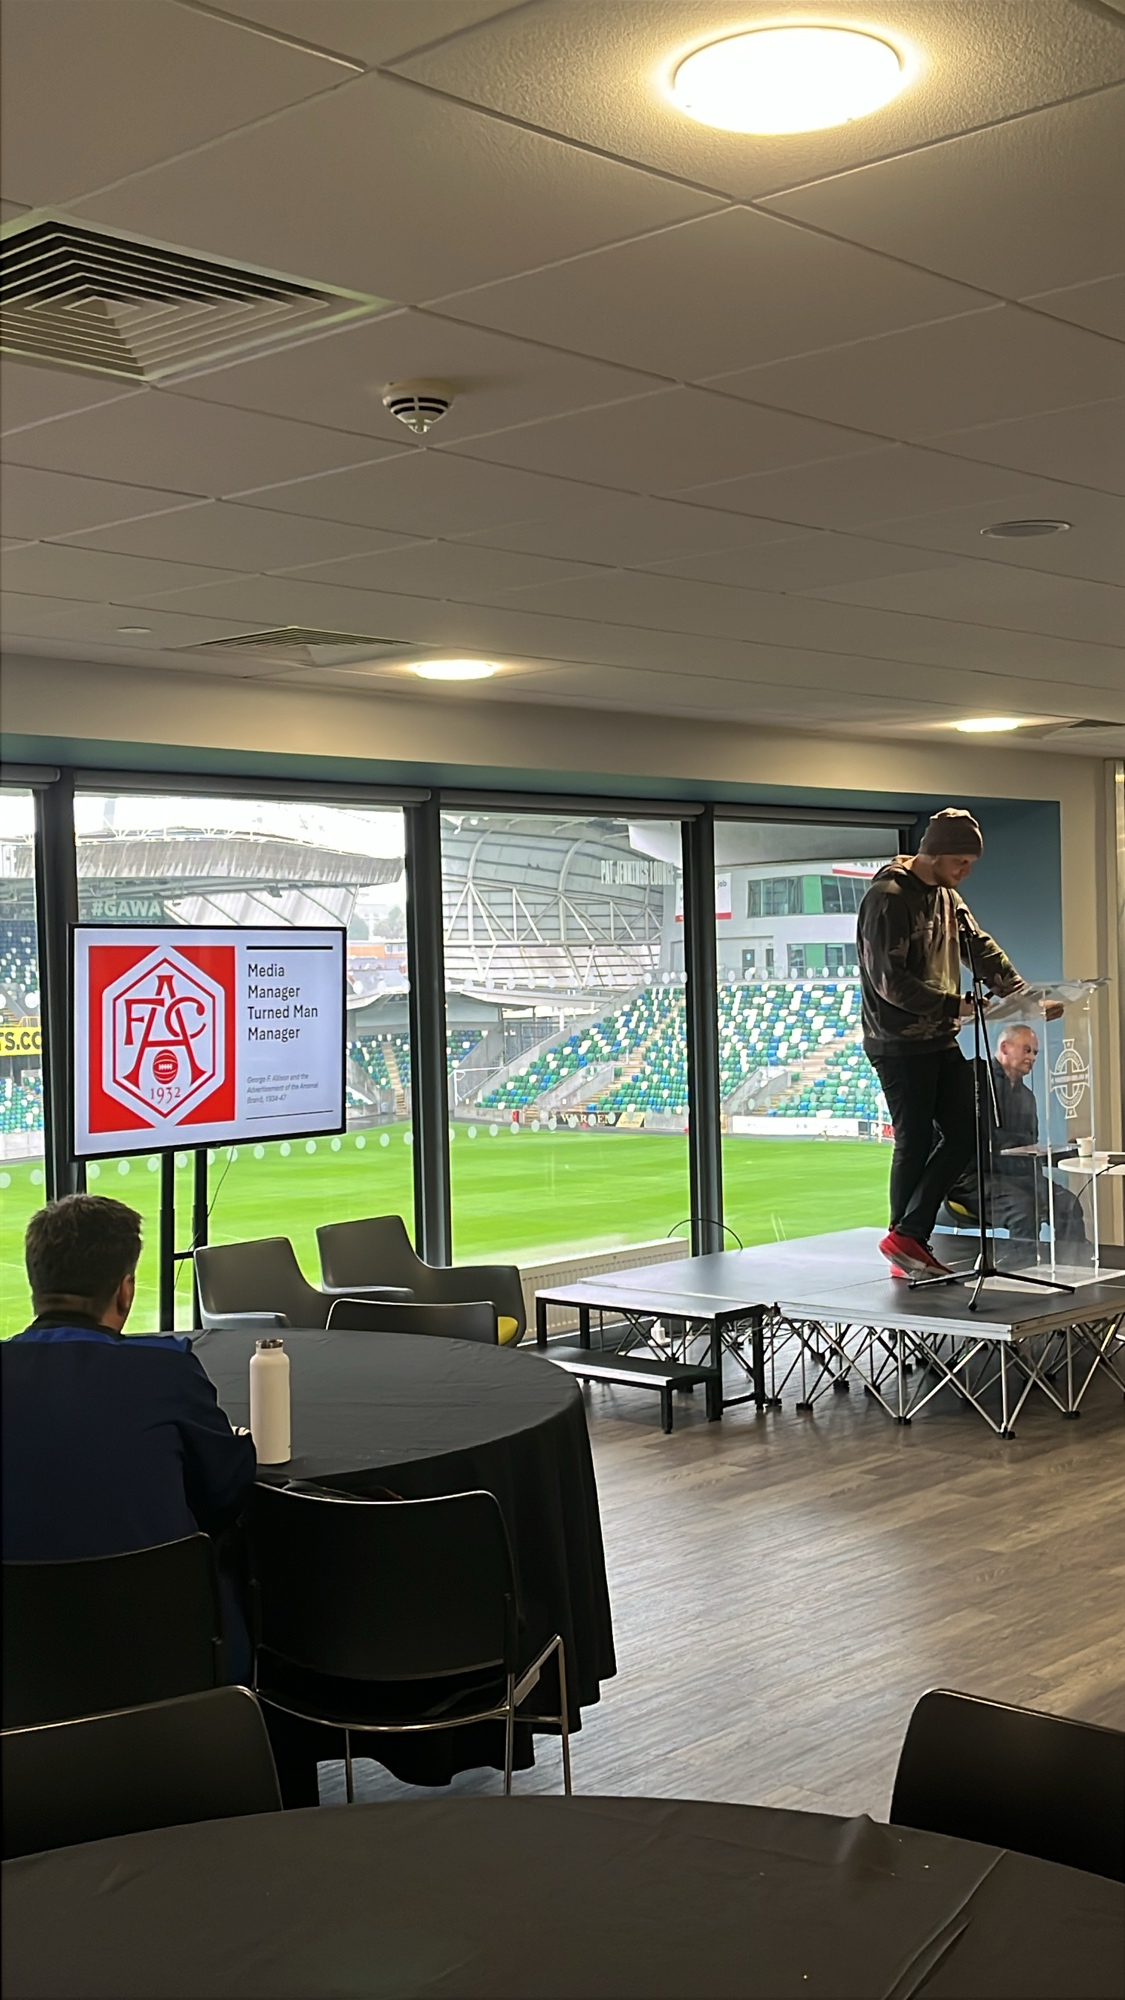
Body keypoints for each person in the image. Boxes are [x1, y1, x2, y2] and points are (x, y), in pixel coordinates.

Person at [1, 1196, 255, 1654]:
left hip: (18, 1665)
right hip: (168, 1660)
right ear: (125, 1291)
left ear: (35, 1284)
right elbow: (224, 1491)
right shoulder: (167, 1370)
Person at [856, 807, 1056, 1280]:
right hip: (898, 1042)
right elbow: (889, 982)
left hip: (939, 1038)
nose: (966, 871)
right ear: (935, 853)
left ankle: (907, 1237)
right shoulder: (888, 897)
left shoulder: (947, 896)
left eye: (970, 863)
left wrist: (1023, 997)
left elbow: (979, 947)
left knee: (965, 1132)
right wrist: (956, 1006)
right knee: (915, 1141)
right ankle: (904, 1242)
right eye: (960, 862)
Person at [944, 1024, 1088, 1259]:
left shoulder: (1027, 1097)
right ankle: (1022, 1270)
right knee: (1023, 1209)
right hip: (975, 1178)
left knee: (1067, 1204)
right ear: (1004, 1047)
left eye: (1035, 1052)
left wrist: (1067, 1152)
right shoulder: (974, 1082)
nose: (1032, 1057)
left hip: (1018, 1177)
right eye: (1027, 1050)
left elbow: (1029, 1148)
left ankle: (1071, 1267)